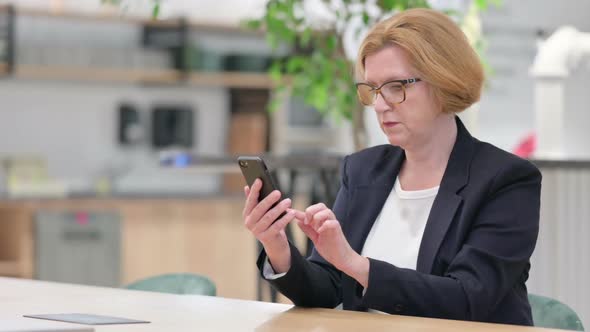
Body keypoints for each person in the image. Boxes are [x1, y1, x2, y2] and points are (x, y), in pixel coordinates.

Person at [242, 8, 541, 326]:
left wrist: (357, 265)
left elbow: (467, 298)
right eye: (372, 89)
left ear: (443, 81)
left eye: (396, 87)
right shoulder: (363, 170)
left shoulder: (506, 180)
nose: (381, 105)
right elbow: (327, 291)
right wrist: (278, 247)